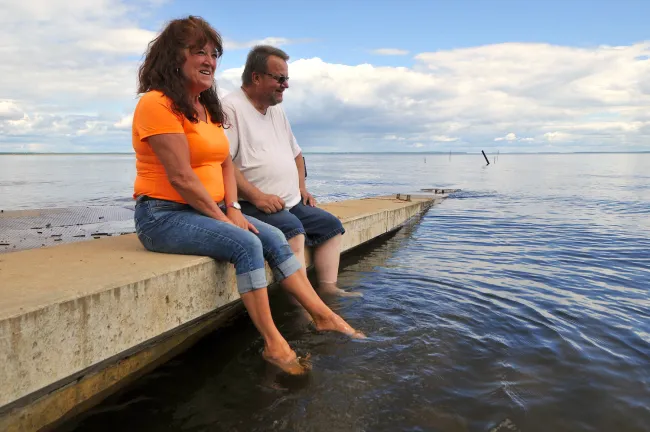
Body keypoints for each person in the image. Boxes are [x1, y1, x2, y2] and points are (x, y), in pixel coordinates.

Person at [132, 16, 363, 375]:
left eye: (214, 54)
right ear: (172, 57)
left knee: (272, 235)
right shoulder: (156, 104)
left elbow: (225, 162)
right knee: (247, 244)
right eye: (199, 52)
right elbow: (181, 177)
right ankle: (274, 343)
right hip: (163, 215)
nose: (209, 60)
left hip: (203, 210)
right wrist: (226, 219)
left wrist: (234, 206)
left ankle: (324, 316)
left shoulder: (205, 106)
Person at [223, 46, 360, 297]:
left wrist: (301, 188)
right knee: (293, 231)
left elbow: (297, 154)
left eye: (287, 78)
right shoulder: (230, 107)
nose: (285, 85)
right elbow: (224, 162)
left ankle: (329, 290)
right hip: (251, 204)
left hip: (290, 201)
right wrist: (256, 196)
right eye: (280, 78)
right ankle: (304, 308)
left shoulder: (277, 109)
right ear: (256, 77)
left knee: (330, 226)